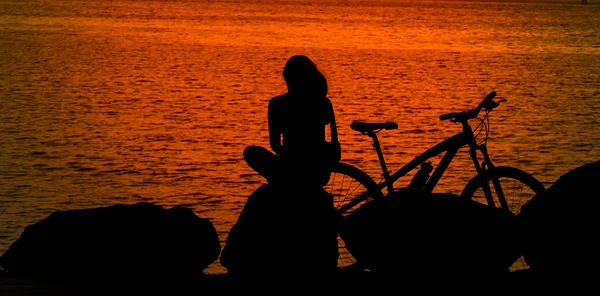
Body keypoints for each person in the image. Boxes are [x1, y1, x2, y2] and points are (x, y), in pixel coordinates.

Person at [243, 55, 341, 188]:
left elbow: (275, 145)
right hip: (319, 170)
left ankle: (282, 181)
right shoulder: (323, 102)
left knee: (250, 152)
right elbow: (334, 143)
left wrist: (292, 157)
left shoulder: (277, 104)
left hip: (291, 165)